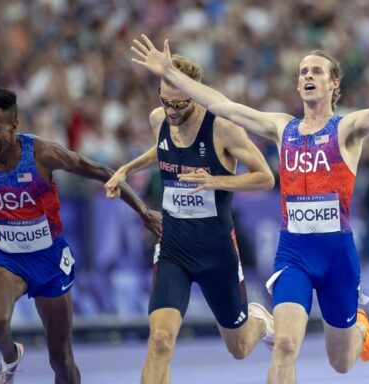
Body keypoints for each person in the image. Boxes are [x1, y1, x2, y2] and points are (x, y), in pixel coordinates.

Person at [130, 32, 369, 383]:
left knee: (340, 362)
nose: (307, 76)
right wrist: (171, 74)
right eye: (303, 72)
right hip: (293, 253)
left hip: (336, 255)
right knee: (284, 343)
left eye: (316, 72)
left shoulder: (348, 130)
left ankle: (359, 328)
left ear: (333, 84)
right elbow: (221, 105)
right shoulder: (283, 127)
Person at [0, 87, 162, 384]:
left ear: (14, 125)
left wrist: (144, 212)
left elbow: (101, 171)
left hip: (48, 261)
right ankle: (11, 357)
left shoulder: (43, 155)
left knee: (61, 361)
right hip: (5, 256)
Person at [103, 54, 276, 384]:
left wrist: (217, 180)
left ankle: (261, 322)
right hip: (173, 250)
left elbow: (265, 177)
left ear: (195, 94)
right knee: (160, 341)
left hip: (217, 252)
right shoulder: (160, 119)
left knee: (238, 348)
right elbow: (163, 152)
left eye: (179, 104)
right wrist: (126, 168)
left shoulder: (223, 127)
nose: (170, 111)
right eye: (165, 102)